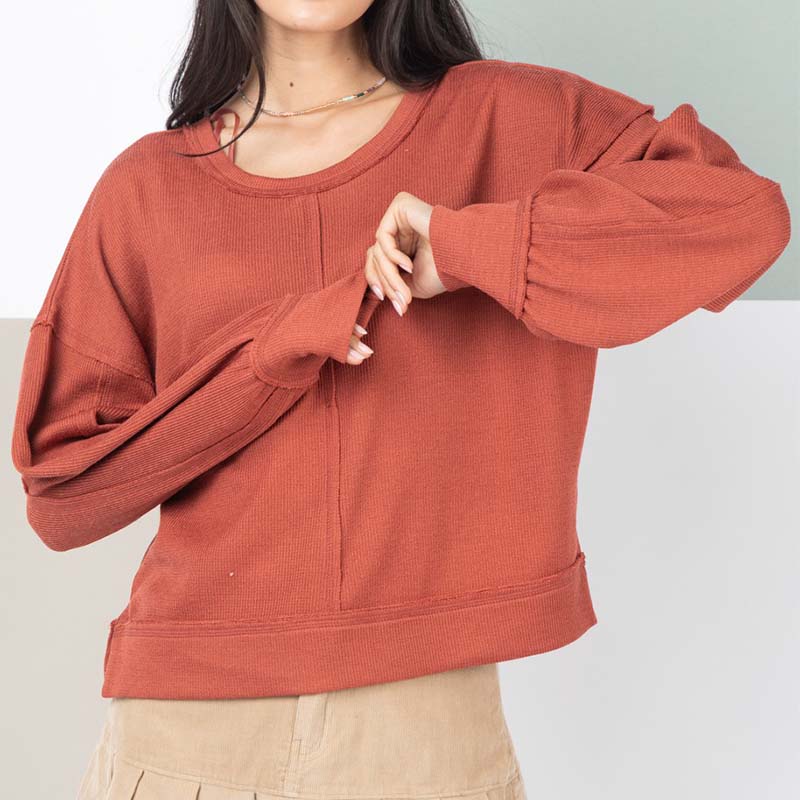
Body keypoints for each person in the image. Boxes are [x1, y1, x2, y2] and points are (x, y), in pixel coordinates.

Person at [10, 1, 790, 798]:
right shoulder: (149, 187)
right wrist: (271, 355)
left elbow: (741, 217)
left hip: (422, 735)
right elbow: (64, 499)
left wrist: (466, 248)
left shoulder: (511, 118)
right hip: (184, 732)